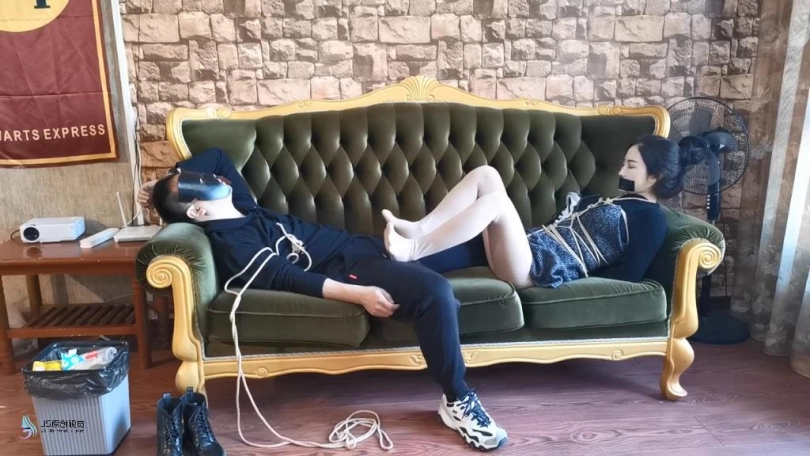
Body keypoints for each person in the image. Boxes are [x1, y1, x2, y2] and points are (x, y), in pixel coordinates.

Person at [139, 148, 508, 451]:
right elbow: (290, 277)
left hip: (371, 245)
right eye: (199, 183)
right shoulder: (233, 244)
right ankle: (456, 399)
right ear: (197, 211)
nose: (212, 178)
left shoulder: (243, 207)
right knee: (437, 293)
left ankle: (535, 260)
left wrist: (163, 182)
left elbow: (219, 156)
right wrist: (360, 294)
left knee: (486, 239)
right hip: (356, 269)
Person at [382, 135, 702, 289]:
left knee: (497, 203)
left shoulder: (651, 219)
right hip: (527, 247)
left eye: (631, 166)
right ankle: (420, 229)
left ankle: (412, 251)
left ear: (655, 176)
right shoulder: (622, 202)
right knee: (486, 174)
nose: (621, 171)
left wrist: (575, 277)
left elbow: (630, 274)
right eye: (623, 163)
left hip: (538, 269)